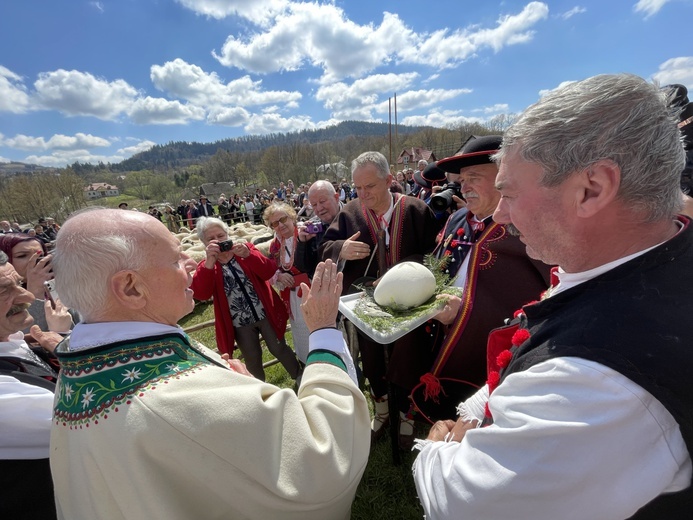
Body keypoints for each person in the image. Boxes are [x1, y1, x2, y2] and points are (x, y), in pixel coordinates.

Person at [413, 73, 693, 519]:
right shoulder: (631, 264)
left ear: (592, 189)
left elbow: (464, 502)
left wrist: (436, 449)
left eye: (510, 192)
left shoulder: (598, 380)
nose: (500, 214)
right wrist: (476, 409)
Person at [49, 208, 369, 520]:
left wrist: (239, 390)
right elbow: (322, 466)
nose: (191, 262)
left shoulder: (77, 376)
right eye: (176, 259)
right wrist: (325, 331)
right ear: (131, 288)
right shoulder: (183, 397)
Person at [410, 136, 551, 423]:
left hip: (493, 352)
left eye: (474, 177)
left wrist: (463, 311)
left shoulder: (529, 227)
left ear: (503, 179)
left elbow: (546, 297)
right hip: (441, 334)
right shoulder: (457, 218)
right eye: (462, 180)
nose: (464, 187)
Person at [321, 151, 442, 449]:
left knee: (409, 355)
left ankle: (407, 414)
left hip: (409, 307)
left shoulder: (416, 210)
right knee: (372, 357)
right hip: (366, 307)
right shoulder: (350, 213)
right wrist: (341, 249)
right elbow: (325, 246)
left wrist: (406, 269)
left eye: (370, 187)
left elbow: (435, 256)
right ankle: (382, 410)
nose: (363, 194)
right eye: (357, 188)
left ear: (389, 180)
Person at [191, 216, 300, 381]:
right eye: (210, 239)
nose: (217, 241)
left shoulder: (244, 250)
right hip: (239, 323)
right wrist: (209, 263)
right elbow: (202, 294)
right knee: (252, 359)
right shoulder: (207, 266)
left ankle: (299, 376)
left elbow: (268, 271)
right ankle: (261, 393)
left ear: (227, 235)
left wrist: (249, 255)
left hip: (264, 312)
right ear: (204, 243)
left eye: (221, 236)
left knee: (278, 348)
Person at [0, 251, 65, 520]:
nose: (28, 296)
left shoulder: (15, 339)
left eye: (19, 283)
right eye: (5, 290)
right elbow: (92, 420)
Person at [264, 203, 312, 364]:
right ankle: (308, 364)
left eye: (283, 219)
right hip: (293, 296)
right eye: (275, 223)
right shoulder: (275, 245)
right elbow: (270, 269)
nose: (280, 225)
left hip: (314, 289)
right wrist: (279, 276)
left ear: (292, 216)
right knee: (301, 330)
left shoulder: (307, 232)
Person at [295, 180, 342, 278]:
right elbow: (304, 267)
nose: (319, 208)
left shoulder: (354, 216)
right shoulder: (312, 227)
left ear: (336, 198)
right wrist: (303, 244)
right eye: (314, 205)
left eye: (322, 201)